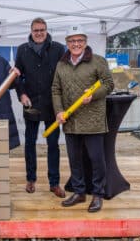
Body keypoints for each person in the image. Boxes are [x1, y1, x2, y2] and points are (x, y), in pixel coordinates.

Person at [52, 25, 114, 212]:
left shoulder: (98, 61)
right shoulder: (61, 64)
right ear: (67, 43)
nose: (76, 44)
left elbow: (109, 84)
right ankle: (79, 192)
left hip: (93, 120)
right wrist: (59, 111)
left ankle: (97, 194)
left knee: (96, 159)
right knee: (74, 159)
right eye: (72, 41)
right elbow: (56, 89)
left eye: (79, 40)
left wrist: (93, 95)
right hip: (71, 120)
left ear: (85, 42)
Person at [15, 17, 65, 198]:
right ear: (31, 31)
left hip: (52, 104)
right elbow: (17, 76)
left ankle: (54, 182)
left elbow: (63, 77)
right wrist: (21, 94)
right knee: (29, 143)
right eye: (36, 30)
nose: (39, 33)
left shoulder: (58, 49)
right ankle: (31, 178)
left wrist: (61, 101)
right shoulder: (22, 50)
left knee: (53, 144)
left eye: (42, 29)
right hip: (31, 104)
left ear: (47, 30)